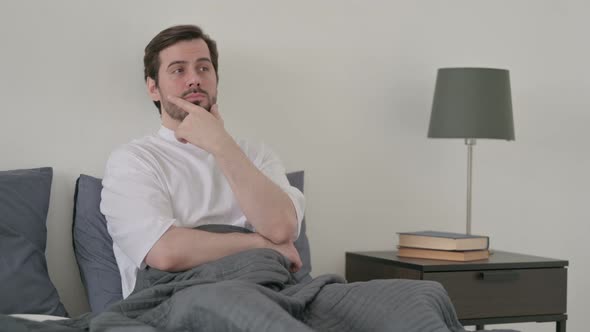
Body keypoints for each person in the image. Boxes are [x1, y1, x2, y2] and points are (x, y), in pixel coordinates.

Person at [100, 24, 305, 298]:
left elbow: (282, 228)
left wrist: (221, 144)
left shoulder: (256, 154)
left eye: (203, 68)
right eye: (178, 70)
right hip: (181, 296)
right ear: (153, 88)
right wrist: (261, 244)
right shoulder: (133, 160)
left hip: (271, 288)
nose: (194, 79)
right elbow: (165, 252)